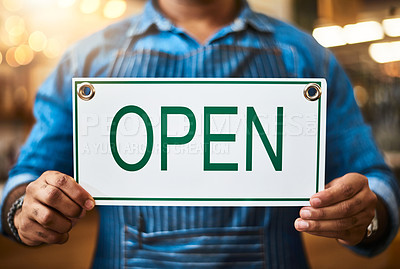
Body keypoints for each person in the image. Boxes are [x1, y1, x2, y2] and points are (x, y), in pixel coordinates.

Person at [1, 0, 399, 267]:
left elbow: (375, 180)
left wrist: (366, 216)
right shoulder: (85, 59)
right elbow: (25, 179)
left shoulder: (305, 56)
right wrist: (24, 210)